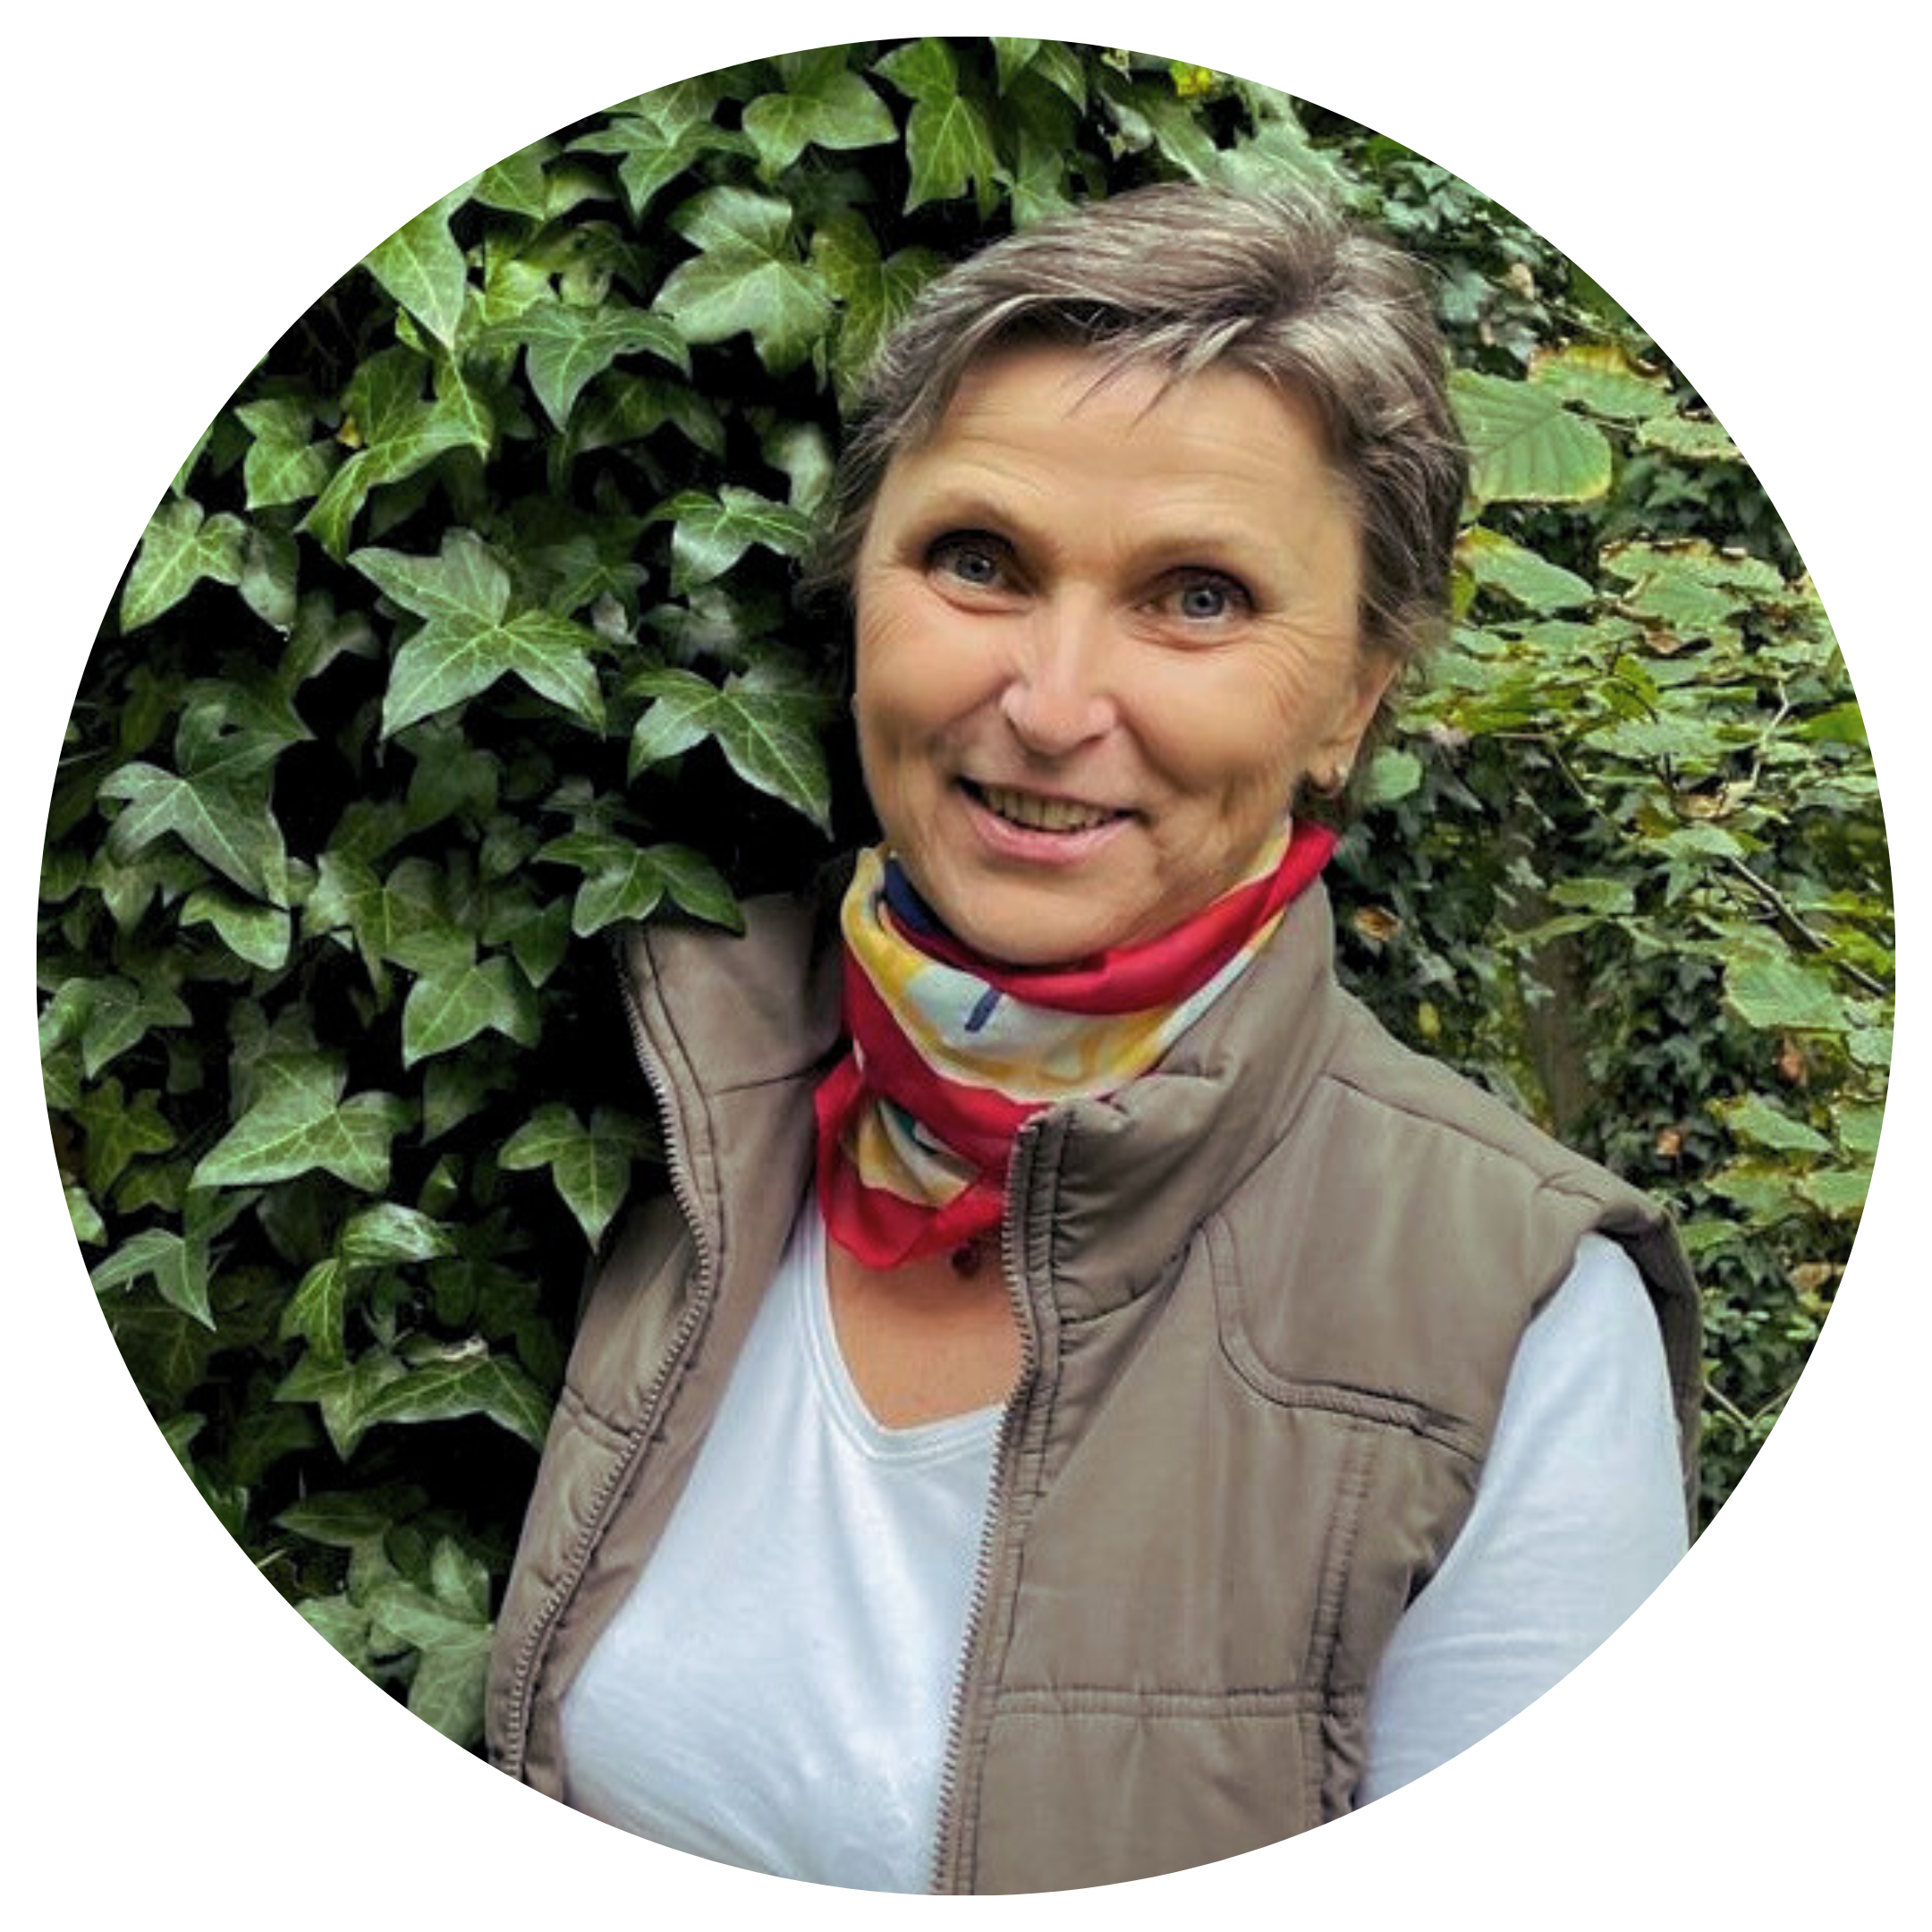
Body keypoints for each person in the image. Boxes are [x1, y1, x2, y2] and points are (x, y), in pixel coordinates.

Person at [483, 181, 1700, 1894]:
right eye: (978, 561)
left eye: (1198, 597)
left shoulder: (1522, 1328)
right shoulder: (702, 1082)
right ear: (860, 594)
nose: (1051, 707)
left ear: (1353, 698)